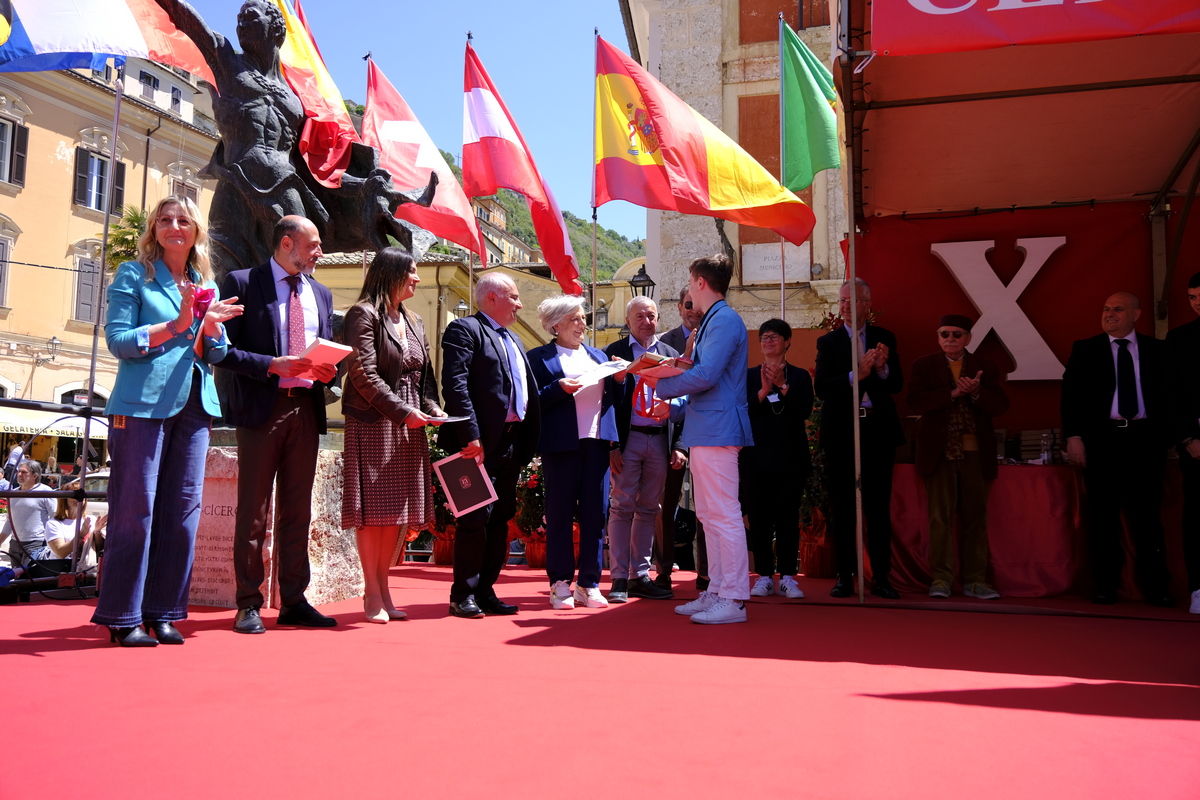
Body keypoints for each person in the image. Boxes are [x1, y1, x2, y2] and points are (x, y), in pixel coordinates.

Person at [90, 196, 242, 647]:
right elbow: (119, 341)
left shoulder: (204, 283)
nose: (175, 226)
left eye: (183, 220)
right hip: (140, 405)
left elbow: (218, 352)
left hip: (195, 404)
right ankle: (123, 615)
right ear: (154, 230)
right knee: (135, 511)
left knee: (183, 513)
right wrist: (178, 323)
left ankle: (164, 612)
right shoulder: (133, 275)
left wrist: (211, 330)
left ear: (196, 231)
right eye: (165, 220)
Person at [220, 215, 340, 633]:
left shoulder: (321, 293)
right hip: (261, 410)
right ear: (287, 243)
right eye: (313, 244)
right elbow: (222, 351)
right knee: (253, 512)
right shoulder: (242, 283)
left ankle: (293, 600)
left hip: (305, 408)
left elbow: (325, 350)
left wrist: (329, 372)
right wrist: (272, 364)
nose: (319, 252)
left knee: (298, 511)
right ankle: (248, 603)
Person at [341, 248, 447, 623]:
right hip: (375, 420)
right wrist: (404, 412)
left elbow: (425, 376)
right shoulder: (362, 314)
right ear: (391, 274)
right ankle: (371, 591)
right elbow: (363, 374)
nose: (417, 278)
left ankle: (384, 587)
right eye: (411, 271)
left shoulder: (414, 319)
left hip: (410, 421)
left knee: (395, 512)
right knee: (373, 513)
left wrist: (433, 408)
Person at [652, 254, 754, 625]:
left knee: (723, 514)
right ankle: (718, 590)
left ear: (699, 282)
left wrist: (662, 386)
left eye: (690, 281)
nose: (690, 290)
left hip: (718, 430)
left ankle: (734, 598)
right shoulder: (716, 319)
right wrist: (673, 403)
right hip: (709, 428)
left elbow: (707, 375)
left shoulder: (722, 319)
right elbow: (709, 382)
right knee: (711, 515)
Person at [439, 273, 542, 618]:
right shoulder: (465, 330)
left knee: (499, 520)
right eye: (514, 297)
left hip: (511, 443)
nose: (520, 305)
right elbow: (454, 384)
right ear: (492, 298)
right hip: (476, 445)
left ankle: (485, 591)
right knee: (474, 519)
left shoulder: (514, 338)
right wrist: (470, 434)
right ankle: (462, 595)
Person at [1062, 292, 1173, 607]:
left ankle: (1157, 587)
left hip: (1145, 442)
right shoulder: (1085, 349)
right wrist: (1073, 437)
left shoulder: (1157, 349)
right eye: (1106, 309)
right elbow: (1070, 397)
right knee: (1103, 518)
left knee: (1147, 518)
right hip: (1102, 442)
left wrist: (1166, 437)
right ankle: (1105, 585)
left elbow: (1170, 395)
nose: (1109, 314)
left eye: (1118, 309)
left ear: (1136, 314)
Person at [527, 295, 622, 609]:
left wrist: (620, 379)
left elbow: (614, 401)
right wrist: (558, 389)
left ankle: (589, 584)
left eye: (583, 318)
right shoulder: (538, 358)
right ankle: (560, 583)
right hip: (561, 445)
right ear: (555, 325)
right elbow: (530, 403)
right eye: (575, 319)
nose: (582, 324)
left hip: (596, 443)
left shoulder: (598, 356)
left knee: (597, 514)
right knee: (560, 514)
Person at [907, 314, 1009, 600]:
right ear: (938, 337)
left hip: (976, 452)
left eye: (957, 334)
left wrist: (976, 393)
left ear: (968, 338)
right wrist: (952, 393)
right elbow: (914, 402)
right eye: (944, 334)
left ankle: (975, 581)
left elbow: (1000, 405)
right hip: (939, 453)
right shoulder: (924, 365)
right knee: (939, 519)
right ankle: (941, 579)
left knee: (976, 518)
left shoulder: (985, 366)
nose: (950, 339)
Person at [815, 278, 904, 599]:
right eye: (842, 301)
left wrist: (881, 369)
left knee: (878, 507)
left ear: (867, 304)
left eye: (852, 301)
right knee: (842, 508)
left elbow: (896, 385)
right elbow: (821, 387)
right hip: (842, 433)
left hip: (877, 432)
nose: (845, 306)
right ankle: (844, 576)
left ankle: (881, 576)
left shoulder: (884, 339)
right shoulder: (829, 342)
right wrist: (856, 375)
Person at [603, 296, 677, 603]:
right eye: (640, 317)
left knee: (649, 508)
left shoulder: (670, 354)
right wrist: (612, 444)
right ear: (628, 321)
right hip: (628, 438)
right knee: (622, 506)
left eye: (651, 316)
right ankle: (619, 577)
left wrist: (680, 445)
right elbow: (605, 400)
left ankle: (640, 576)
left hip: (660, 439)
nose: (647, 322)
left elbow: (681, 400)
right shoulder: (614, 352)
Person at [742, 319, 813, 600]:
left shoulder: (799, 376)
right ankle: (763, 575)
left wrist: (783, 385)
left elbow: (804, 411)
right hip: (755, 459)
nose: (768, 341)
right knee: (758, 519)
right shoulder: (749, 376)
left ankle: (787, 576)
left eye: (774, 337)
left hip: (790, 459)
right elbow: (741, 411)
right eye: (764, 337)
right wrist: (762, 391)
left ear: (787, 342)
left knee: (787, 518)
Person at [659, 288, 705, 586]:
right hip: (672, 438)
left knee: (707, 508)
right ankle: (663, 570)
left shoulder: (715, 340)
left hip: (708, 434)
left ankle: (707, 573)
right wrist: (678, 444)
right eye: (688, 304)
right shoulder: (664, 344)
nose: (693, 310)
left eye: (697, 305)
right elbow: (665, 394)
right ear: (679, 307)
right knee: (665, 506)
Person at [1167, 271, 1200, 615]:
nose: (1197, 303)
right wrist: (1187, 439)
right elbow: (1170, 395)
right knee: (1197, 518)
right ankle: (1198, 588)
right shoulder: (1180, 339)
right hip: (1196, 444)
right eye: (1192, 297)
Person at [1, 460, 55, 568]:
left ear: (35, 475)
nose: (19, 474)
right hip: (14, 543)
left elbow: (55, 516)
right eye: (19, 471)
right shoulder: (13, 494)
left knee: (28, 576)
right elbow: (10, 521)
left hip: (35, 543)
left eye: (24, 472)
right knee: (15, 576)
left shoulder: (45, 492)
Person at [44, 481, 106, 564]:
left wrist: (97, 532)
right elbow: (61, 553)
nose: (78, 498)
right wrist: (81, 535)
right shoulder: (53, 524)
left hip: (86, 568)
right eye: (74, 495)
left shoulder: (90, 519)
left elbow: (98, 548)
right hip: (64, 568)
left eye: (82, 495)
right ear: (64, 499)